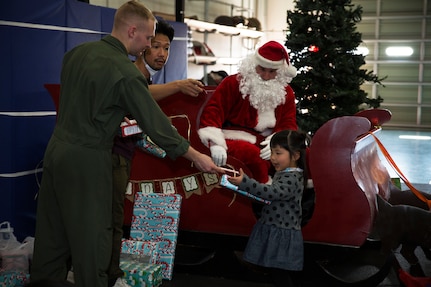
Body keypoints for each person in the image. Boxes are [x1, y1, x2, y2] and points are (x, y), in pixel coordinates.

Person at [30, 2, 222, 287]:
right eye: (148, 38)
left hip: (56, 151)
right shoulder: (126, 72)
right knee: (93, 238)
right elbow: (155, 124)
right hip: (89, 159)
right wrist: (195, 156)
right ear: (132, 30)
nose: (148, 46)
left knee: (51, 233)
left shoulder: (75, 54)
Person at [109, 19, 205, 287]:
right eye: (155, 45)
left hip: (124, 156)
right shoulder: (130, 76)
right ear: (141, 44)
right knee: (112, 220)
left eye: (166, 47)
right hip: (108, 156)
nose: (161, 53)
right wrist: (177, 86)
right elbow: (140, 94)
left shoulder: (145, 77)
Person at [197, 40, 298, 184]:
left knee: (303, 154)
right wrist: (215, 143)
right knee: (253, 155)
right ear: (253, 65)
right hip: (232, 136)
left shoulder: (286, 92)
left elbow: (288, 123)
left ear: (280, 72)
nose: (266, 76)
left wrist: (278, 142)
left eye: (272, 71)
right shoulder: (233, 83)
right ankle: (263, 195)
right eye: (262, 69)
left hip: (267, 140)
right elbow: (214, 111)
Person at [227, 130, 310, 287]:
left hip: (281, 232)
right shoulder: (285, 173)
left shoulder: (291, 178)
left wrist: (246, 183)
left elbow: (272, 193)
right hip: (274, 227)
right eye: (272, 152)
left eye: (278, 153)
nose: (273, 158)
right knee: (275, 271)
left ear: (296, 156)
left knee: (279, 272)